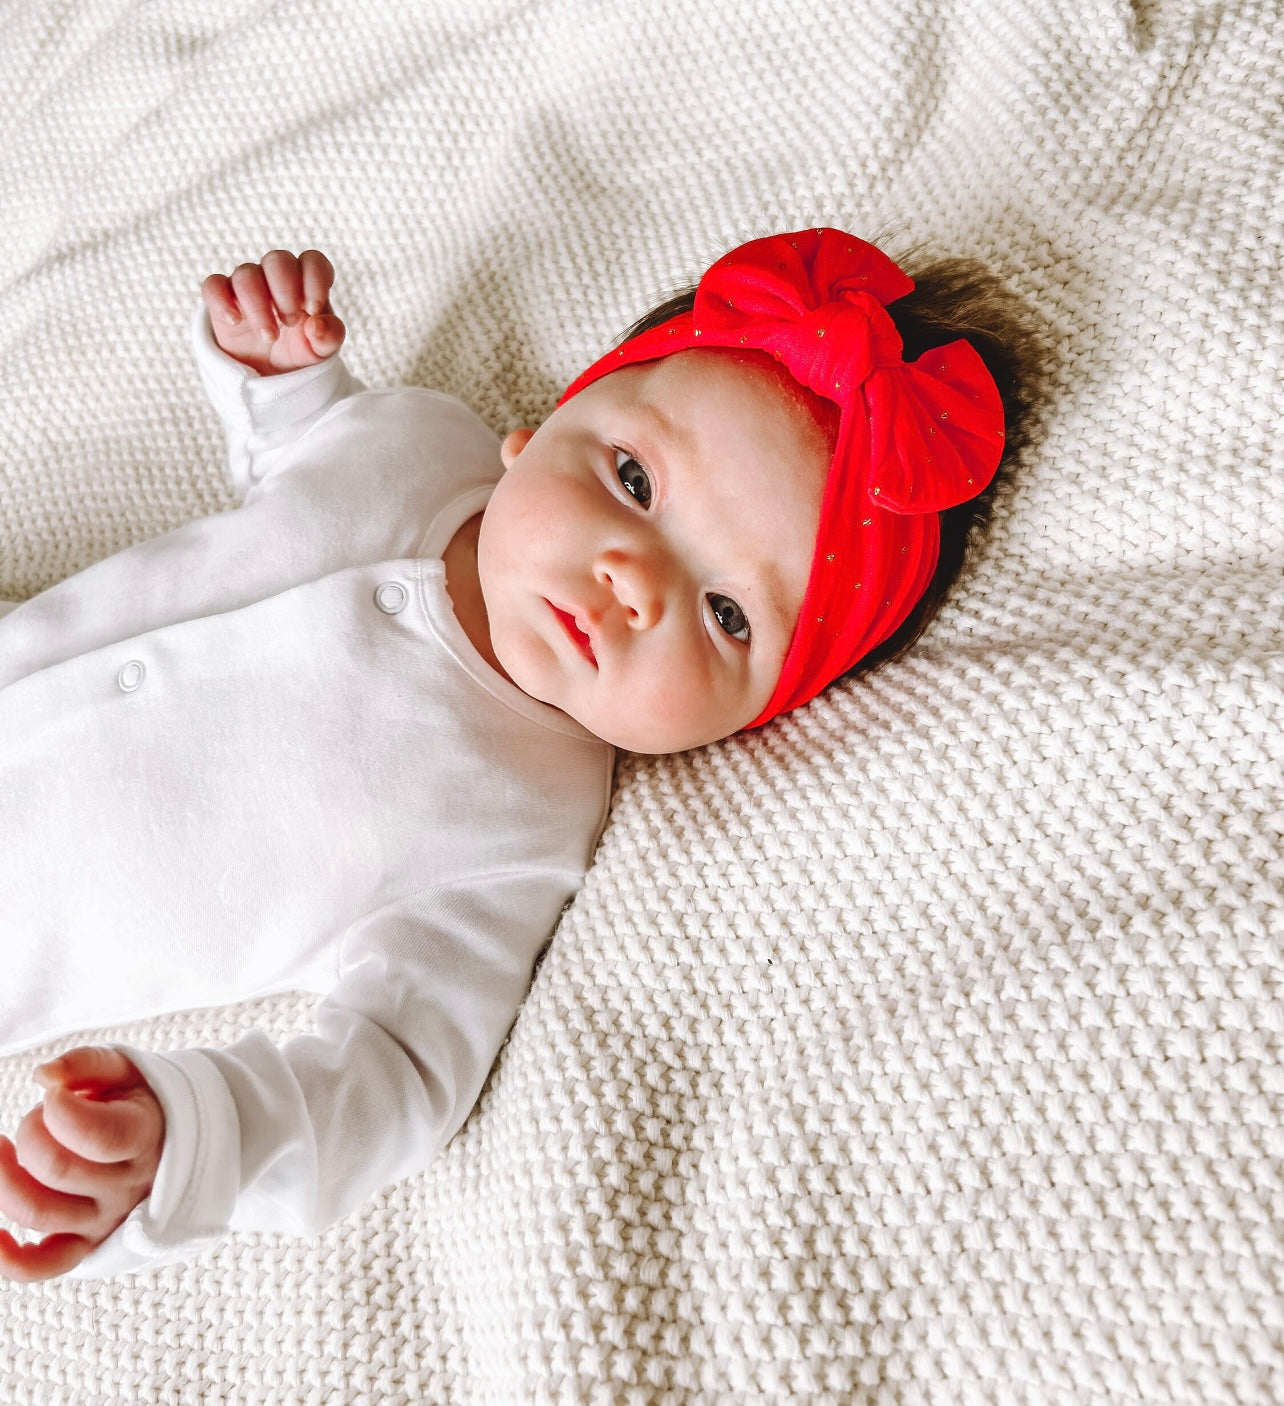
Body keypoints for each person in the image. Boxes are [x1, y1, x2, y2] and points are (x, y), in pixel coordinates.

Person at [0, 229, 1037, 1281]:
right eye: (633, 477)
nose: (636, 578)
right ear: (542, 429)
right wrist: (278, 376)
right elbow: (300, 460)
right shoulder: (418, 440)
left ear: (753, 718)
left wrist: (192, 1135)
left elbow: (389, 1076)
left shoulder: (515, 826)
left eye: (727, 614)